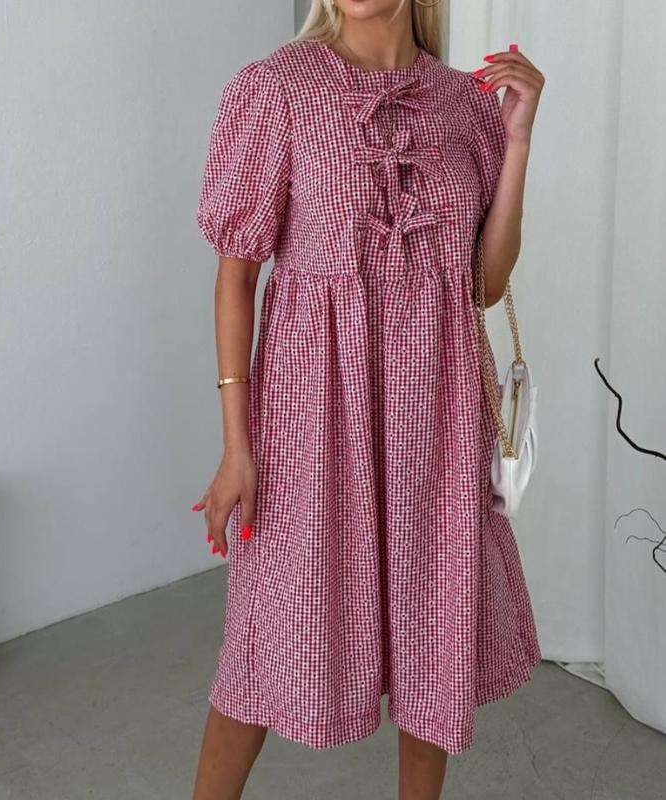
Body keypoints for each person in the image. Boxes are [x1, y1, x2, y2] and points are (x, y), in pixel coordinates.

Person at [190, 1, 545, 797]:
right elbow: (236, 276)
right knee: (266, 642)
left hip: (440, 410)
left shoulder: (465, 104)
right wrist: (237, 446)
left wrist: (519, 139)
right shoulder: (276, 89)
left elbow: (485, 283)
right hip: (311, 412)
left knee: (435, 632)